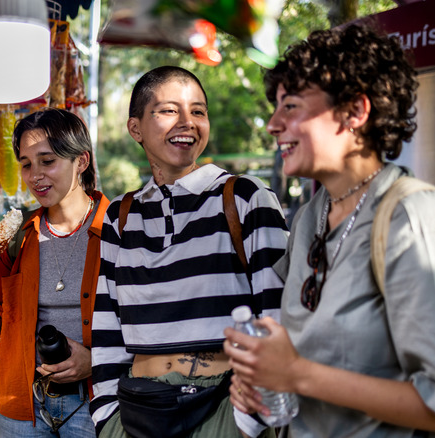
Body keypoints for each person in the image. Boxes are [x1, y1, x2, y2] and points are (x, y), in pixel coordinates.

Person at [223, 24, 435, 437]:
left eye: (290, 106)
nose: (272, 124)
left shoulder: (415, 218)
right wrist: (265, 381)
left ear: (355, 112)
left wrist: (297, 375)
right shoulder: (310, 218)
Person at [90, 66, 289, 438]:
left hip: (224, 410)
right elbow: (107, 330)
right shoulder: (121, 215)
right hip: (136, 413)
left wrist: (245, 423)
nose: (188, 122)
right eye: (168, 110)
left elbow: (278, 316)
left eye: (198, 111)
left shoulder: (245, 197)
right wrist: (107, 418)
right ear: (136, 129)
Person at [0, 108, 109, 437]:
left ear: (81, 161)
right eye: (26, 163)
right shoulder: (19, 238)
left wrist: (96, 361)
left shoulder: (117, 232)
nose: (35, 175)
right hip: (24, 406)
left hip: (96, 405)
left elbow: (144, 327)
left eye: (48, 161)